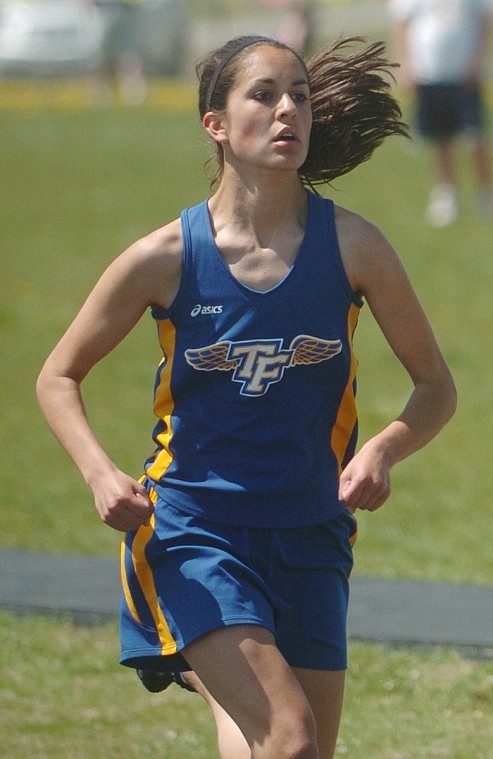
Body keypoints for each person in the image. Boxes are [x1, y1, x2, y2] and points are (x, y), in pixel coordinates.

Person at [36, 34, 456, 759]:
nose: (288, 108)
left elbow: (435, 386)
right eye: (263, 94)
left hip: (312, 532)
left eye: (298, 93)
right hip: (194, 529)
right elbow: (57, 375)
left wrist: (385, 448)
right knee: (287, 738)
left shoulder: (354, 246)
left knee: (291, 748)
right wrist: (99, 473)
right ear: (216, 124)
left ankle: (215, 671)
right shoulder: (165, 256)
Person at [388, 0, 493, 226]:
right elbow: (402, 23)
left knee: (475, 136)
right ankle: (447, 192)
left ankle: (485, 191)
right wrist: (406, 64)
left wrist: (477, 62)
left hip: (464, 75)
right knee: (440, 137)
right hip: (429, 73)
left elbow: (483, 21)